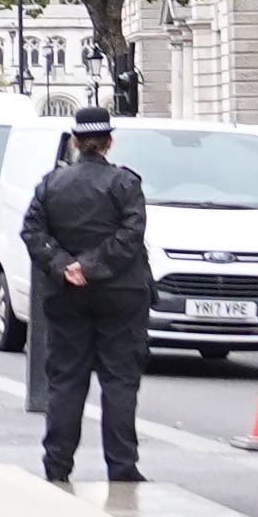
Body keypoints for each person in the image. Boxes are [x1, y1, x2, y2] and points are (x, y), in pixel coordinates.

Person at [20, 104, 155, 489]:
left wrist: (65, 265)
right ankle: (122, 466)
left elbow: (32, 232)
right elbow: (131, 234)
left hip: (66, 295)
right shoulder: (125, 184)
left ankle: (58, 463)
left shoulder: (50, 185)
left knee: (66, 380)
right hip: (122, 293)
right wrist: (93, 265)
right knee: (120, 381)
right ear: (108, 143)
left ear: (76, 142)